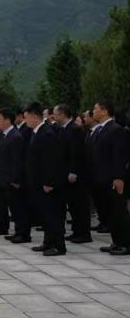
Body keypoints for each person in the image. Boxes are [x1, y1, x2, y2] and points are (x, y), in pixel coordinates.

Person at [26, 103, 68, 256]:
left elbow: (51, 161)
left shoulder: (46, 133)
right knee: (45, 215)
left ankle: (58, 245)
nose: (26, 121)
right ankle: (48, 242)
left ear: (35, 116)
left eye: (27, 117)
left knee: (52, 215)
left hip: (47, 183)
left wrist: (48, 182)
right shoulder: (37, 132)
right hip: (38, 182)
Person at [91, 101, 130, 256]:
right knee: (109, 213)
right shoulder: (100, 129)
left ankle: (126, 243)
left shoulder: (116, 130)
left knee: (119, 212)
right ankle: (116, 241)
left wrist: (119, 177)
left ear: (104, 111)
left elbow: (120, 156)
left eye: (95, 109)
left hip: (113, 179)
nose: (93, 111)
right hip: (101, 179)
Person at [53, 104, 92, 244]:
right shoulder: (64, 129)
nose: (53, 116)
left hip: (77, 176)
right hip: (66, 174)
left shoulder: (75, 129)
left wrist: (73, 171)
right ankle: (77, 231)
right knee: (73, 206)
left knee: (80, 205)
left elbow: (77, 153)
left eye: (55, 113)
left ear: (63, 114)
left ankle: (83, 233)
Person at [0, 108, 22, 237]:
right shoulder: (5, 135)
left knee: (17, 208)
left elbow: (17, 161)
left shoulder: (15, 136)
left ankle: (21, 233)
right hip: (3, 178)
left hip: (11, 180)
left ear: (8, 120)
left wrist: (16, 180)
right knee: (7, 205)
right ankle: (7, 228)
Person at [84, 109, 110, 234]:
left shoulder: (112, 129)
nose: (94, 112)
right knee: (99, 200)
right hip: (94, 173)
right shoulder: (94, 131)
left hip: (104, 174)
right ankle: (103, 221)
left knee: (106, 202)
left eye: (96, 109)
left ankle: (107, 223)